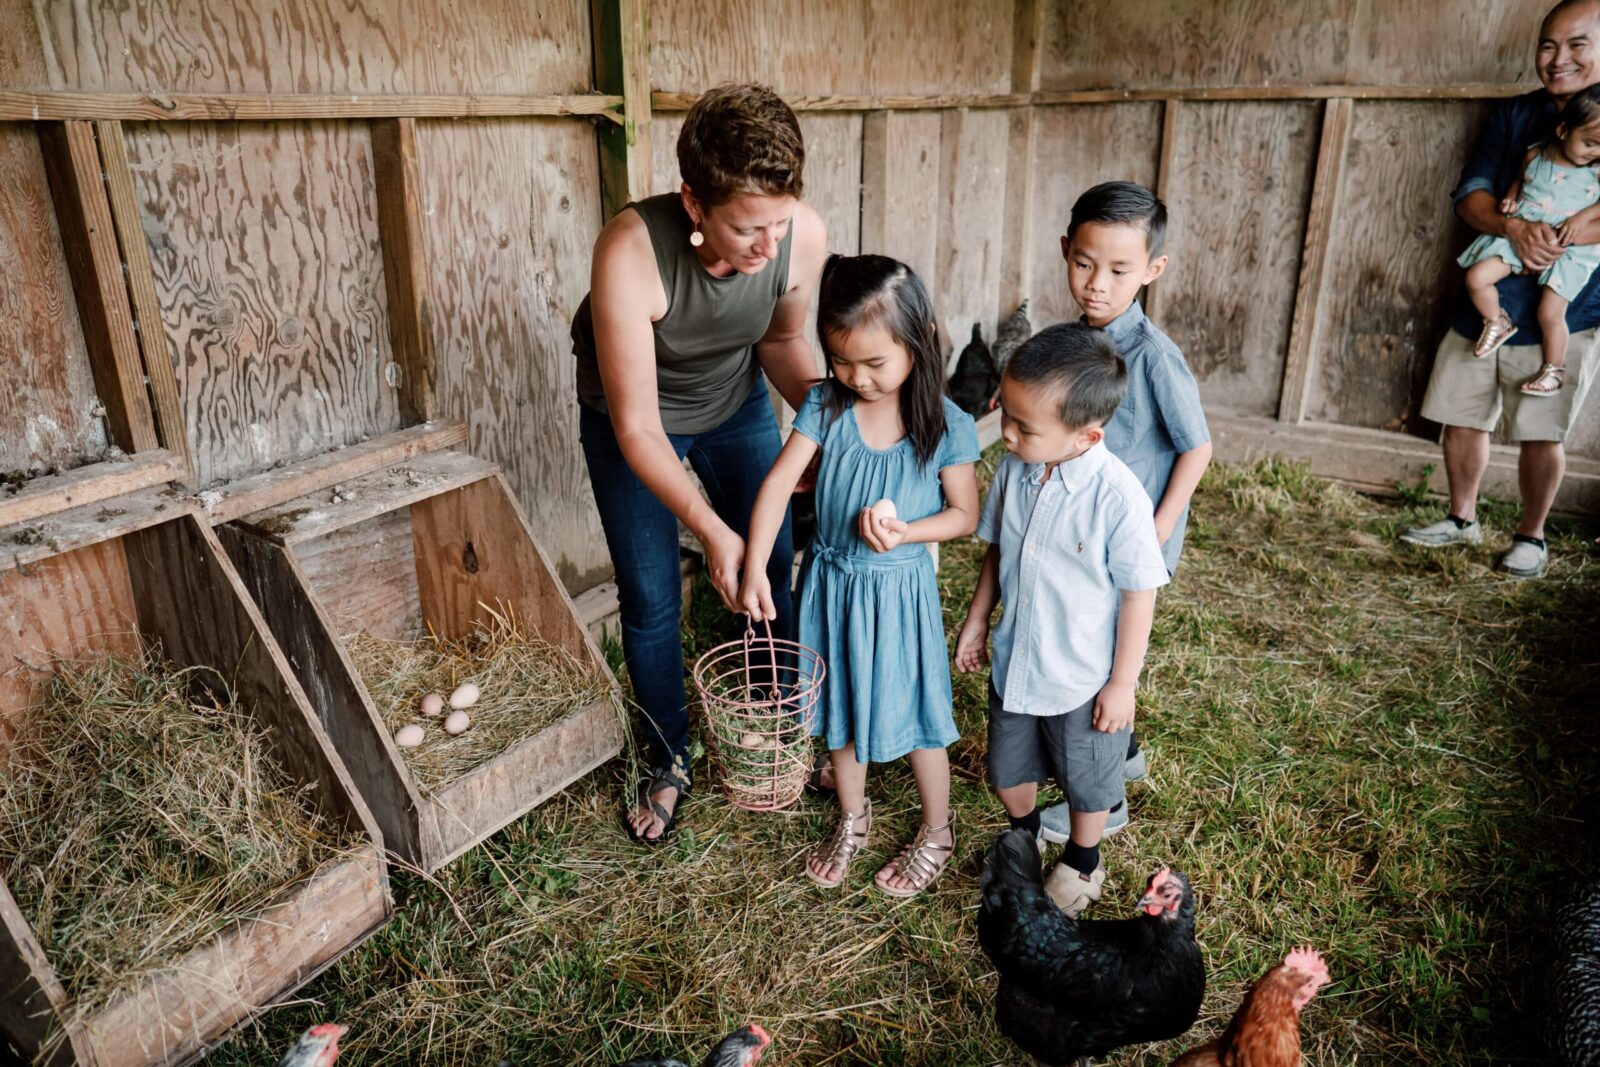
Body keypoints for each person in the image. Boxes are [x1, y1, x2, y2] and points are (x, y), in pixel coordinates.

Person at [571, 84, 828, 845]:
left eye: (779, 223)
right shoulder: (629, 252)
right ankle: (668, 754)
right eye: (748, 229)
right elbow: (641, 429)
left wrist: (827, 429)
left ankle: (773, 722)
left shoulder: (797, 235)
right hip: (637, 425)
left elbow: (781, 345)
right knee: (651, 599)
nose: (769, 247)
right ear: (693, 202)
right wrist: (712, 531)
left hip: (735, 404)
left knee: (772, 561)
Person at [739, 254, 980, 896]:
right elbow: (777, 485)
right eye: (843, 361)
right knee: (837, 703)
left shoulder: (943, 423)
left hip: (900, 593)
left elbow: (964, 514)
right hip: (832, 584)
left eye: (875, 363)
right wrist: (757, 565)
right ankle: (853, 817)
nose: (858, 378)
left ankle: (937, 829)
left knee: (921, 711)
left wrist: (909, 530)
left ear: (919, 340)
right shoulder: (826, 405)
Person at [955, 323, 1168, 918]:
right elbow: (997, 550)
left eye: (1024, 427)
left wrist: (1122, 682)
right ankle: (1023, 835)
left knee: (1088, 777)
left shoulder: (1117, 498)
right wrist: (977, 619)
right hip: (1017, 659)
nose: (1007, 433)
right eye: (1007, 414)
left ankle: (1082, 858)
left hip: (1081, 674)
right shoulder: (1015, 471)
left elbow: (1138, 592)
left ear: (1085, 436)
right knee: (1007, 767)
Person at [1036, 181, 1212, 845]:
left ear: (1152, 270)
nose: (1097, 284)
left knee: (1098, 664)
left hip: (1129, 542)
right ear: (1065, 251)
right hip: (1083, 535)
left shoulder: (1155, 357)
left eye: (1118, 270)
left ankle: (1101, 799)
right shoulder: (1069, 344)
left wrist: (1157, 529)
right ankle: (1127, 754)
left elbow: (1197, 448)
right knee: (1098, 645)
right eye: (1084, 263)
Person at [1401, 0, 1600, 578]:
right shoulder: (1517, 116)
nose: (1558, 59)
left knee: (1542, 428)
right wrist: (1514, 226)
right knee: (1461, 412)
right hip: (1488, 294)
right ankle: (1462, 519)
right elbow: (1471, 195)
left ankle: (1531, 538)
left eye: (1578, 45)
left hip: (1563, 306)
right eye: (1547, 45)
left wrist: (1560, 235)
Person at [1459, 83, 1600, 396]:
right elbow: (1520, 183)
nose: (1596, 152)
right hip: (1522, 228)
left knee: (1549, 312)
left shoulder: (1597, 170)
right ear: (1563, 130)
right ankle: (1497, 321)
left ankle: (1554, 368)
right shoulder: (1534, 154)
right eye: (1590, 143)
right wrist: (1510, 201)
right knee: (1477, 277)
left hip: (1568, 250)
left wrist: (1581, 218)